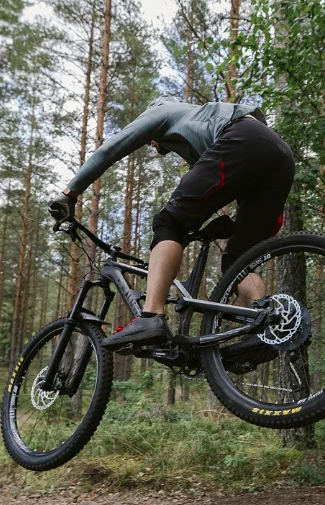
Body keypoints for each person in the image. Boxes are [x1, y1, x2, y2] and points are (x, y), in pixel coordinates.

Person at [49, 96, 294, 350]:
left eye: (152, 142)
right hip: (281, 157)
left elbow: (112, 148)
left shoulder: (162, 112)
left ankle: (151, 316)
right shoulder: (199, 123)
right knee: (238, 259)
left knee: (168, 223)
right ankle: (264, 329)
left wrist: (70, 194)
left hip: (244, 138)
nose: (153, 145)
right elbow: (217, 184)